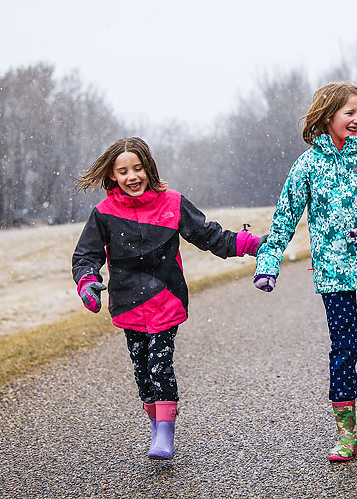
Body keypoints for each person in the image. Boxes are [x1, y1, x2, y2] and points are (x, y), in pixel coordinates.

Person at [71, 136, 265, 460]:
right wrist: (87, 282)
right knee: (142, 370)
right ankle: (155, 423)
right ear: (113, 177)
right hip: (127, 304)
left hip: (166, 299)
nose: (132, 176)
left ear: (149, 168)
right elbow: (86, 255)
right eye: (123, 171)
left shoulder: (172, 203)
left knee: (161, 365)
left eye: (138, 168)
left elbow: (208, 235)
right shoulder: (104, 214)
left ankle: (165, 433)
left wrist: (250, 244)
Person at [252, 82, 357, 462]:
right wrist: (268, 263)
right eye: (349, 113)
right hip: (333, 275)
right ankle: (346, 434)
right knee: (343, 349)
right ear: (328, 117)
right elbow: (284, 220)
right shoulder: (308, 165)